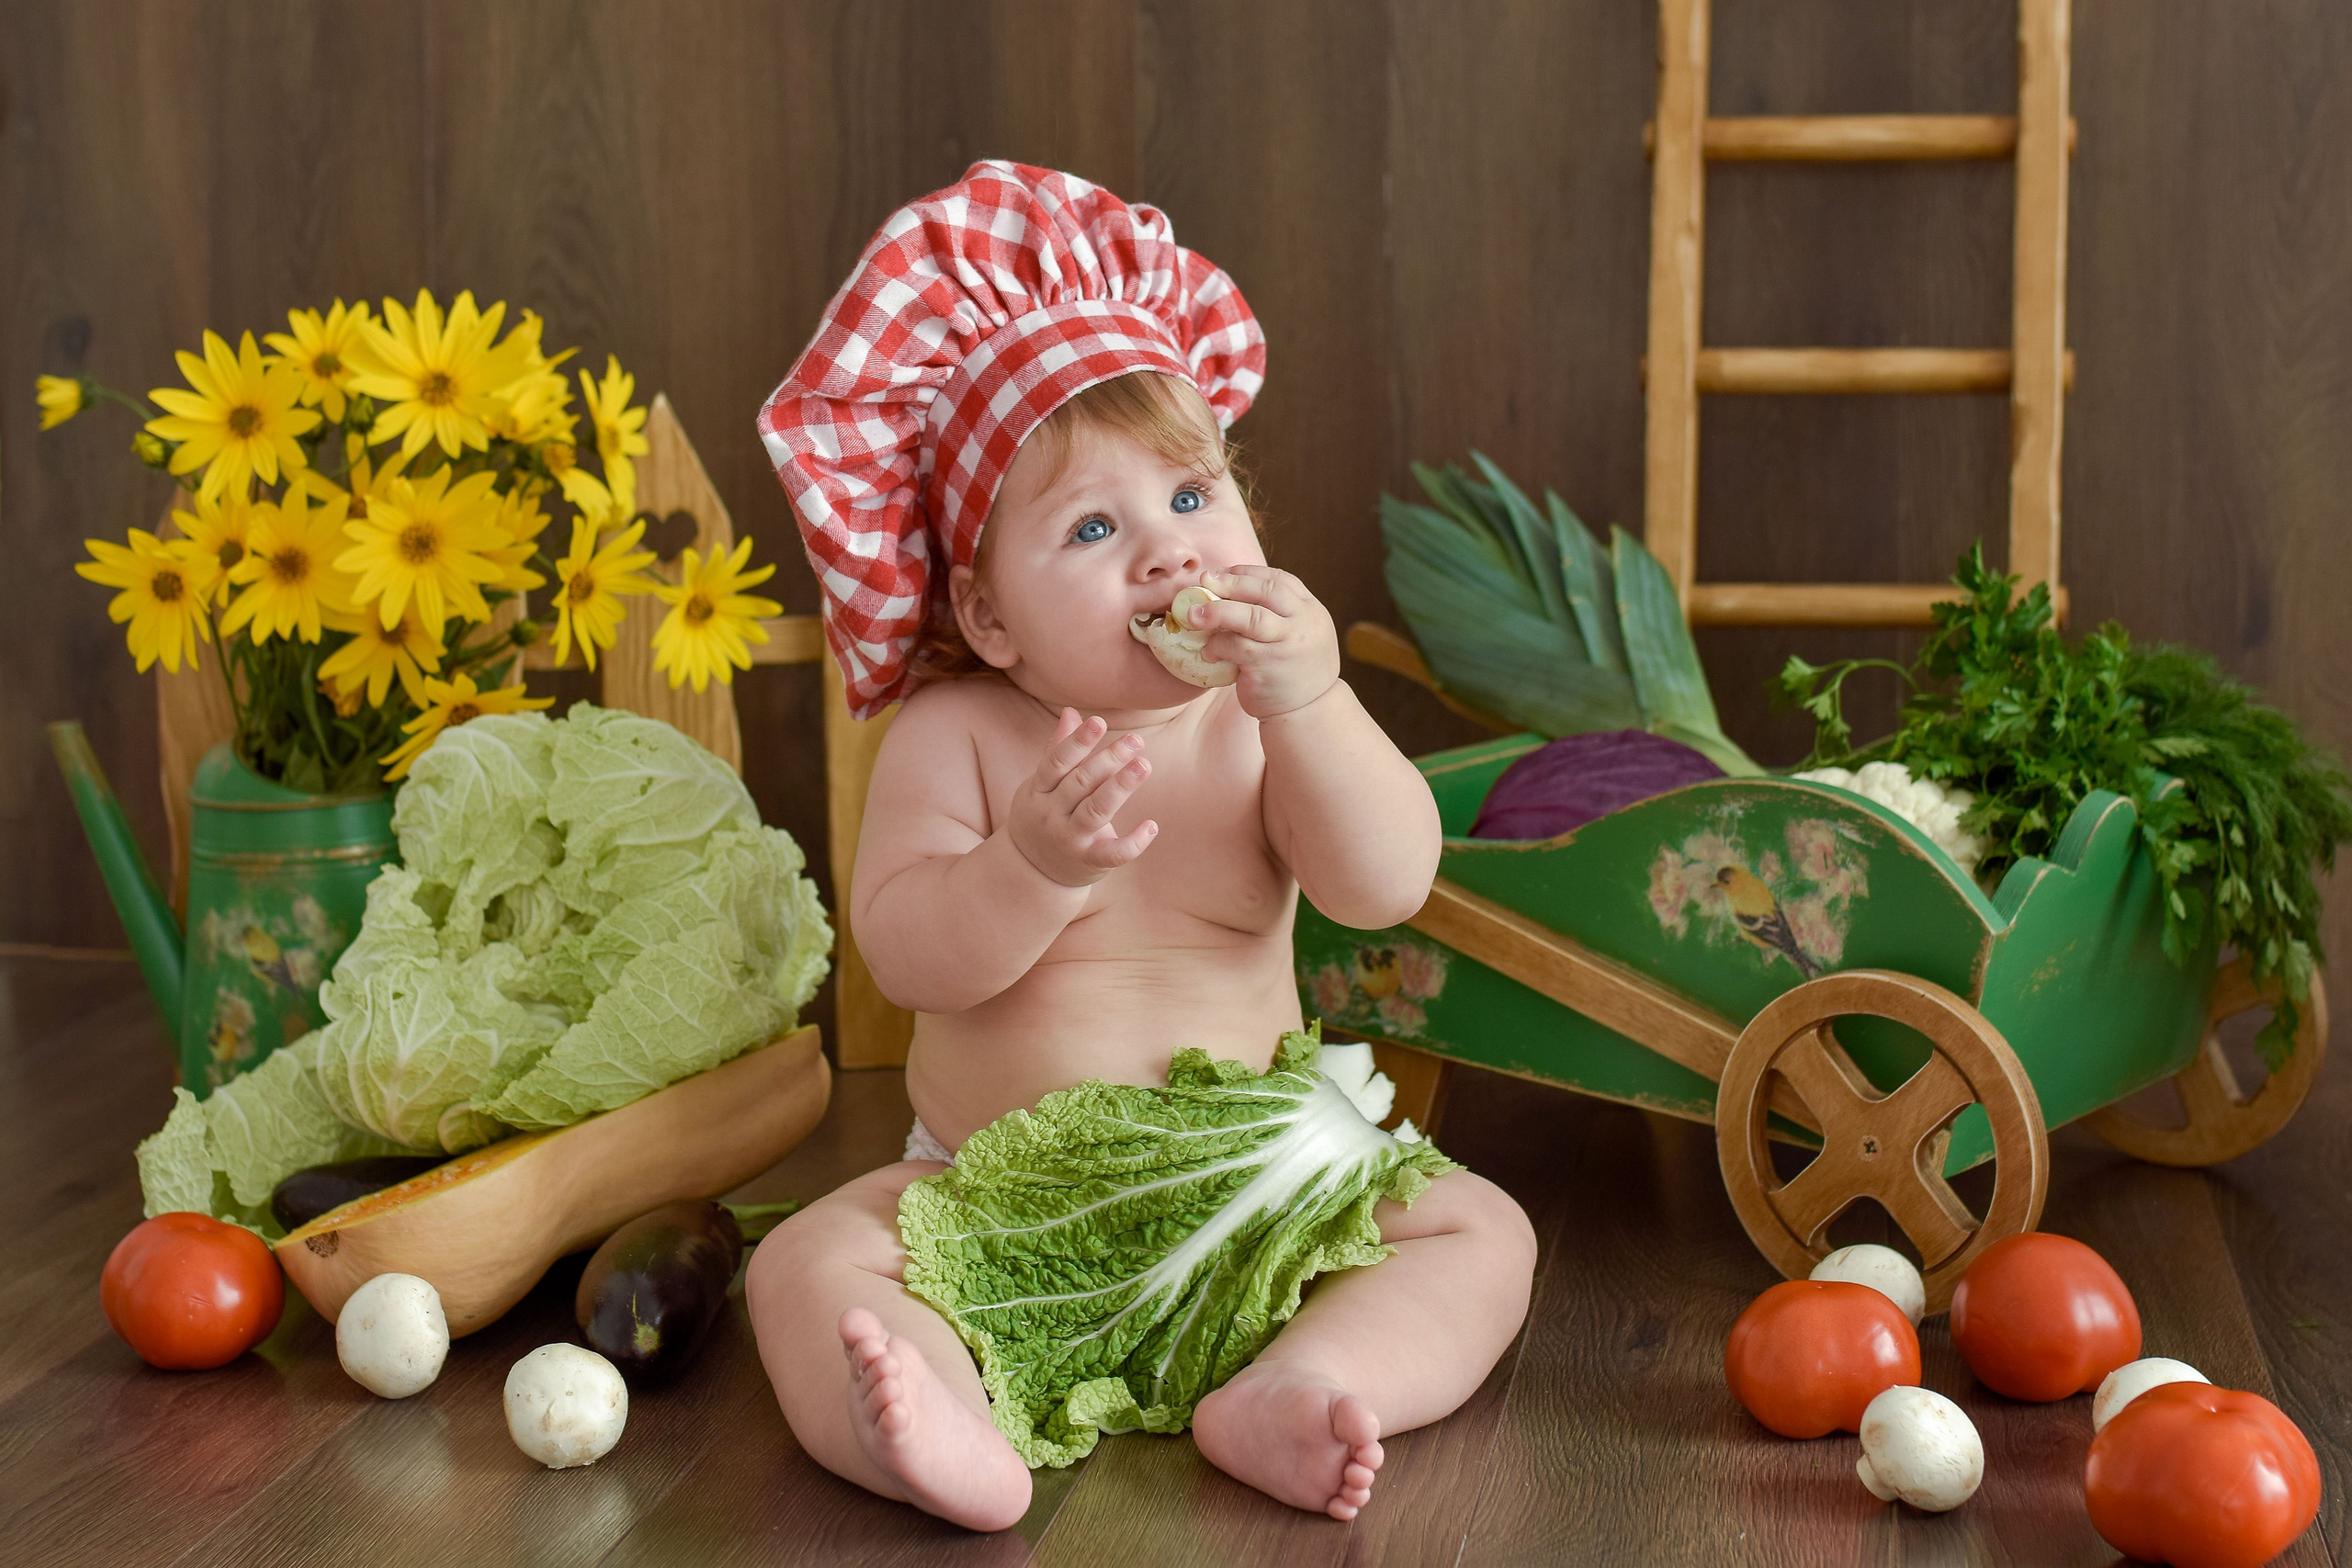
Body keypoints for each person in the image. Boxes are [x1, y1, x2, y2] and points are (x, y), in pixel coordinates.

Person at [747, 162, 1537, 1532]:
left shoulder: (1258, 722)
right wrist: (1028, 873)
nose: (1168, 556)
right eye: (1095, 529)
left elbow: (1384, 880)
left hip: (1261, 1187)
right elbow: (909, 953)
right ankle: (939, 1427)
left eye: (1191, 497)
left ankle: (1304, 1377)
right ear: (991, 617)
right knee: (810, 1261)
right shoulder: (966, 737)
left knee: (1487, 1234)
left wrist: (1319, 700)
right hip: (994, 1203)